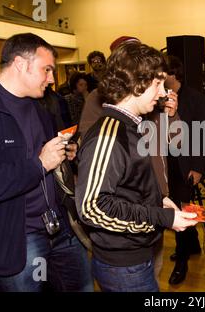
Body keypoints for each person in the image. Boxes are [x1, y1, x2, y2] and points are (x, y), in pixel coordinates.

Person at [0, 33, 93, 292]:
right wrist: (41, 164)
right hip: (16, 240)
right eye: (46, 70)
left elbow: (42, 156)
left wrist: (61, 156)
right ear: (20, 64)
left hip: (61, 228)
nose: (52, 79)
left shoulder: (39, 105)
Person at [75, 41, 198, 292]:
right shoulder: (109, 134)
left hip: (135, 256)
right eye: (157, 84)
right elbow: (91, 207)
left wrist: (158, 201)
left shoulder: (133, 125)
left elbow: (129, 185)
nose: (163, 93)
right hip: (124, 265)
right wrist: (161, 216)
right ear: (137, 83)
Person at [164, 55, 205, 285]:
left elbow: (202, 133)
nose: (160, 77)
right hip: (164, 163)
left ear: (174, 74)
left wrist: (199, 167)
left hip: (186, 164)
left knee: (181, 208)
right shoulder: (158, 97)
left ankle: (182, 260)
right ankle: (192, 245)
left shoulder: (195, 98)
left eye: (164, 73)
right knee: (175, 206)